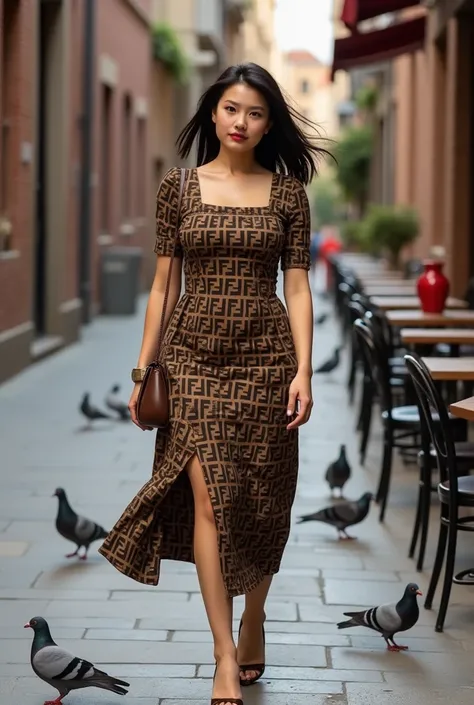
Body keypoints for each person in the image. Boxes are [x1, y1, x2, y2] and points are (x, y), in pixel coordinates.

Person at [99, 62, 328, 705]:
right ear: (213, 112)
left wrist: (304, 369)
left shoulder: (288, 195)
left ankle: (255, 613)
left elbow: (300, 286)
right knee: (210, 498)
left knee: (262, 497)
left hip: (265, 358)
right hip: (193, 358)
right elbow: (162, 285)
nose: (241, 122)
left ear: (269, 123)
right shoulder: (178, 188)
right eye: (231, 109)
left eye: (255, 113)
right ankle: (224, 653)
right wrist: (144, 371)